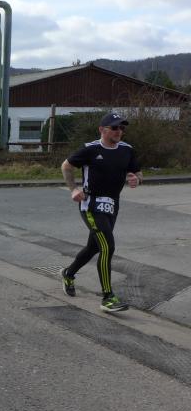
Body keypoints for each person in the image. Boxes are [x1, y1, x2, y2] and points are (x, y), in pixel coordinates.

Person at [60, 112, 142, 312]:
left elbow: (137, 172)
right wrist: (74, 189)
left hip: (112, 205)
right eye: (114, 127)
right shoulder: (90, 149)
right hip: (91, 204)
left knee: (93, 248)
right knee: (107, 247)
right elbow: (66, 166)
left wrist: (136, 179)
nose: (119, 131)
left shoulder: (127, 150)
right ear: (102, 130)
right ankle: (108, 297)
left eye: (122, 128)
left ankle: (68, 274)